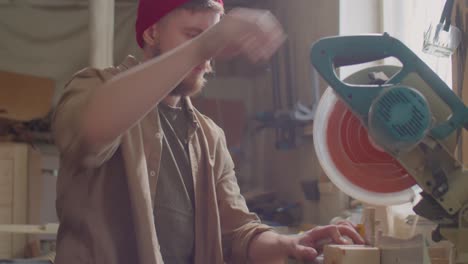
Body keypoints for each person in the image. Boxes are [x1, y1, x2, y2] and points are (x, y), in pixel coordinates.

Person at [52, 0, 364, 263]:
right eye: (192, 34)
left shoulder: (209, 136)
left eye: (214, 40)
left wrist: (291, 243)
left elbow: (237, 232)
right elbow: (90, 132)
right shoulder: (93, 87)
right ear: (151, 32)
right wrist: (204, 45)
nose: (207, 54)